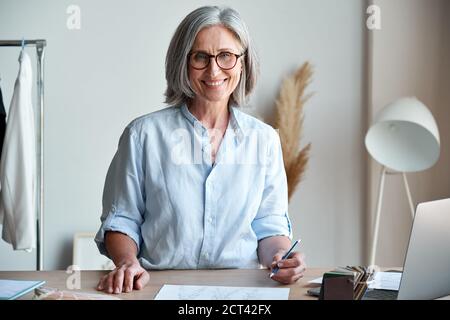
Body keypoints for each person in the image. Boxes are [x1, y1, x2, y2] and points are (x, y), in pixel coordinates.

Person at [95, 5, 306, 294]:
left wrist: (281, 258)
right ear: (183, 62)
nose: (214, 69)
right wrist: (127, 262)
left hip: (241, 292)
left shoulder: (264, 140)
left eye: (226, 56)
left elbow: (269, 227)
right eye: (200, 57)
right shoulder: (143, 135)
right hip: (156, 287)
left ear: (242, 63)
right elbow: (122, 219)